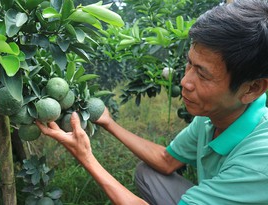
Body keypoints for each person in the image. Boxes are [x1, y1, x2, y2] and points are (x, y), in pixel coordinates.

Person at [36, 0, 268, 204]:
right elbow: (166, 160)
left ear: (253, 88)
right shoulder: (214, 115)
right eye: (189, 64)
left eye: (203, 74)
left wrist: (85, 156)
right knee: (149, 173)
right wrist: (109, 123)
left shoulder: (259, 162)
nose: (185, 81)